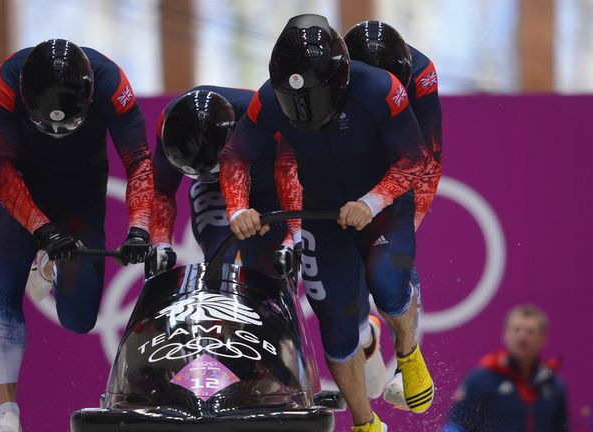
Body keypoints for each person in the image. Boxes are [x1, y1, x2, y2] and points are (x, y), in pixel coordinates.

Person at [220, 14, 433, 431]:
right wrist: (236, 208)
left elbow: (415, 159)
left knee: (389, 290)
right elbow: (234, 155)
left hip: (383, 207)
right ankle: (365, 423)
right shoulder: (268, 99)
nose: (303, 111)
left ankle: (406, 350)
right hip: (323, 213)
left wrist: (372, 202)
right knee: (337, 325)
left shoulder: (380, 89)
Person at [0, 39, 153, 432]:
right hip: (24, 187)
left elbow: (139, 161)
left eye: (65, 126)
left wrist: (140, 226)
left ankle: (46, 268)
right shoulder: (5, 82)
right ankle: (7, 413)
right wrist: (41, 228)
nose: (57, 132)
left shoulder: (111, 82)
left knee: (78, 319)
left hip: (81, 194)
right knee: (6, 271)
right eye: (48, 126)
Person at [343, 20, 443, 408]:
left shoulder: (421, 74)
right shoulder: (333, 73)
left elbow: (429, 159)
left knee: (388, 266)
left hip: (399, 156)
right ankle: (362, 336)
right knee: (345, 272)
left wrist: (407, 224)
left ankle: (406, 360)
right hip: (344, 158)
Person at [150, 86, 297, 276]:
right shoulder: (168, 125)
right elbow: (161, 189)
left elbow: (300, 182)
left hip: (271, 188)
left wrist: (292, 240)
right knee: (218, 261)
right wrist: (160, 243)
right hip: (214, 189)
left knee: (271, 271)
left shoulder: (269, 118)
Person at [444, 305, 568, 432]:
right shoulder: (481, 380)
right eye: (516, 330)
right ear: (505, 334)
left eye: (530, 332)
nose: (522, 337)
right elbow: (455, 427)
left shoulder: (554, 386)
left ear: (543, 339)